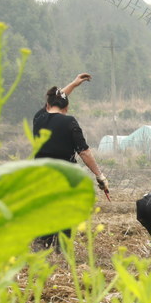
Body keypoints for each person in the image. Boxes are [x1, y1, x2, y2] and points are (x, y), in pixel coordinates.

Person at [32, 74, 110, 250]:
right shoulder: (69, 121)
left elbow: (55, 101)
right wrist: (100, 175)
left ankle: (41, 243)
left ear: (48, 105)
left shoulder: (39, 118)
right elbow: (84, 152)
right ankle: (61, 248)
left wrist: (73, 85)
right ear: (66, 107)